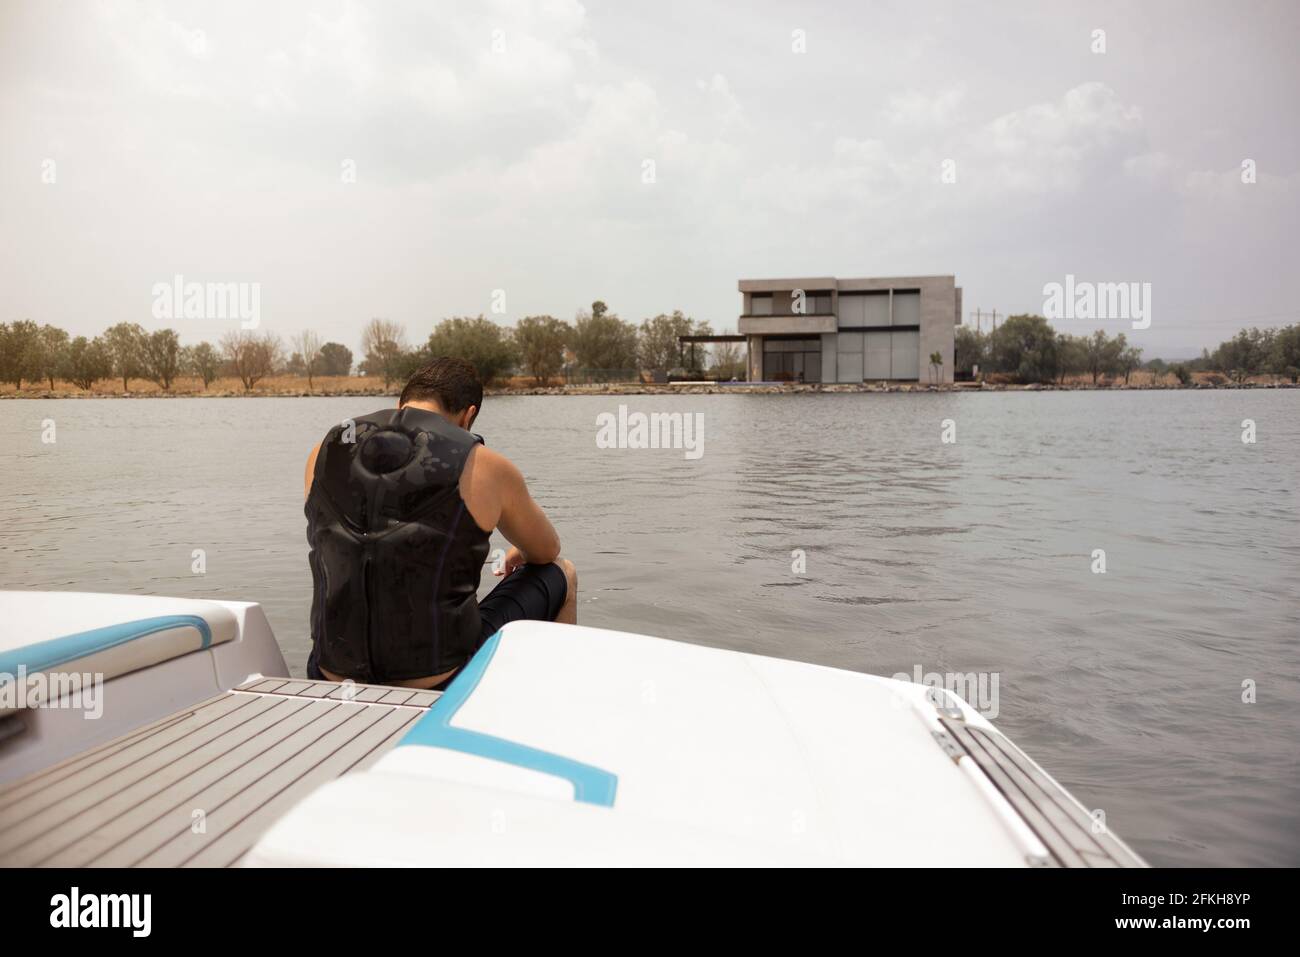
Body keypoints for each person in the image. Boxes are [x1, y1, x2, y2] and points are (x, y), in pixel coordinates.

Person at [302, 356, 576, 689]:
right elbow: (547, 550)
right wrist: (521, 550)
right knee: (563, 572)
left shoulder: (323, 451)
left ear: (400, 404)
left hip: (327, 670)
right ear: (468, 415)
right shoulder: (485, 465)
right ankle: (557, 700)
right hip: (442, 681)